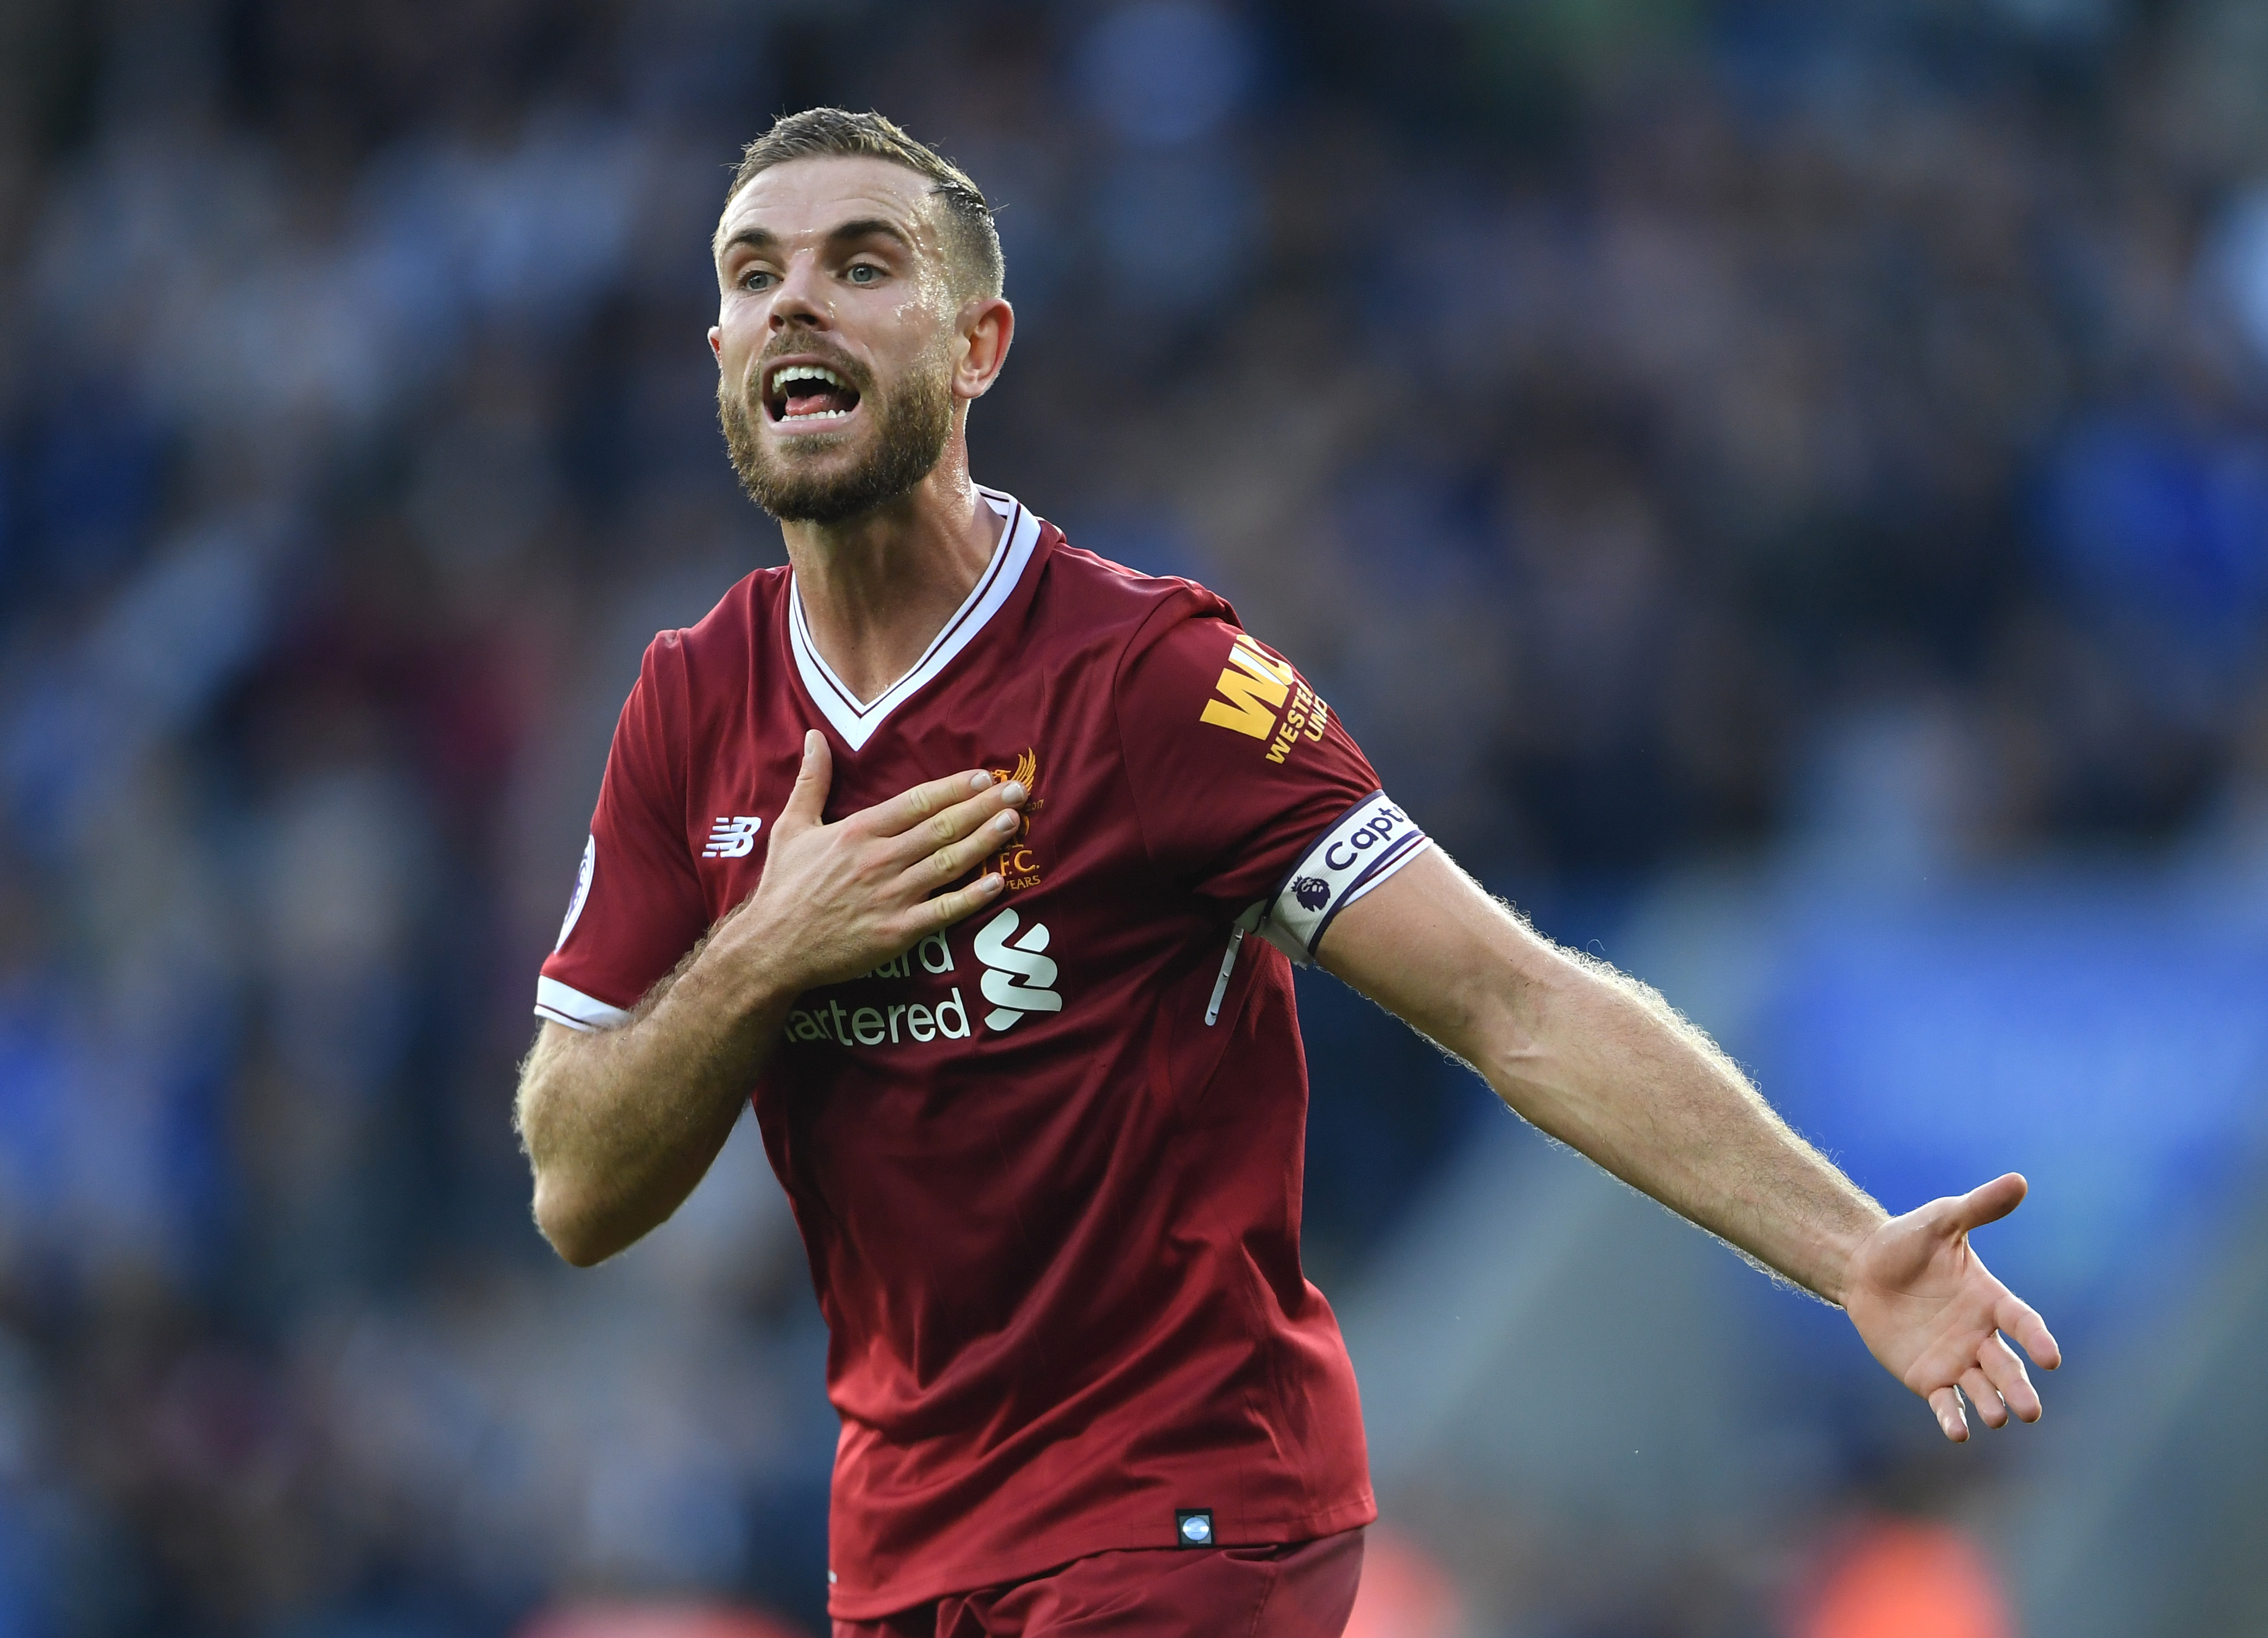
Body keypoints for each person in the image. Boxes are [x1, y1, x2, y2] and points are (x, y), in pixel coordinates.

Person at [514, 108, 2059, 1638]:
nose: (794, 299)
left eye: (861, 265)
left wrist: (1848, 1244)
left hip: (1183, 1507)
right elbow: (578, 1185)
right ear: (718, 348)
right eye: (752, 272)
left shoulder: (1146, 677)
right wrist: (764, 952)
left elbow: (1506, 996)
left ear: (977, 345)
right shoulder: (690, 705)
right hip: (902, 1545)